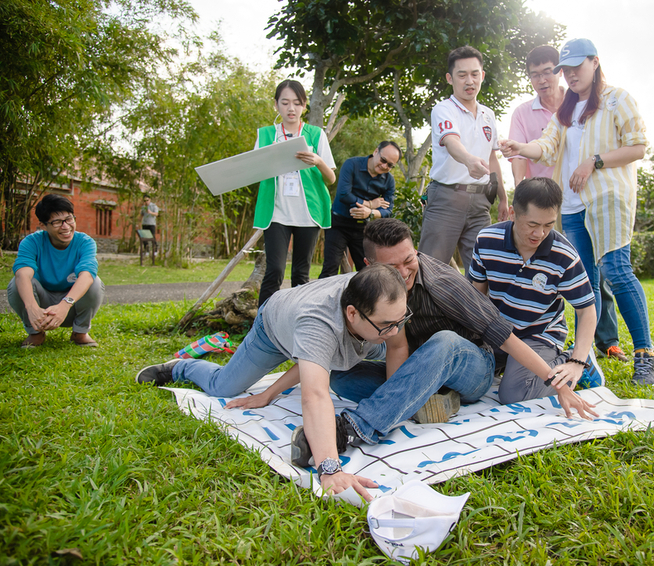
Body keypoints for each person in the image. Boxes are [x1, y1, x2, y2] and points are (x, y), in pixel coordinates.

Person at [288, 218, 599, 468]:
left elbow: (505, 338)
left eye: (408, 260)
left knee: (445, 342)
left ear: (416, 251)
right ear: (370, 265)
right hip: (422, 369)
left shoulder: (443, 283)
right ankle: (428, 401)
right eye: (392, 268)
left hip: (471, 367)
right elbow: (387, 347)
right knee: (342, 377)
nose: (404, 272)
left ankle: (354, 427)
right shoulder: (372, 288)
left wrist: (558, 384)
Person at [135, 264, 408, 500]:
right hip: (274, 328)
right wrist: (330, 469)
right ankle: (182, 367)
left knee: (365, 347)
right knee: (224, 387)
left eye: (400, 320)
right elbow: (315, 394)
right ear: (352, 313)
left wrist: (269, 393)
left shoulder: (383, 302)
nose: (395, 331)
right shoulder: (318, 324)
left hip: (322, 329)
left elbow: (332, 357)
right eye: (386, 325)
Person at [500, 38, 654, 386]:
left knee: (616, 271)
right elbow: (546, 146)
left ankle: (645, 355)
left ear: (594, 62)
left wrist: (594, 161)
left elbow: (637, 147)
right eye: (566, 70)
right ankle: (585, 360)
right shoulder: (565, 112)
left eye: (576, 67)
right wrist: (520, 147)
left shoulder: (617, 99)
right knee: (584, 285)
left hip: (608, 199)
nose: (570, 75)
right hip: (571, 206)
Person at [509, 45, 627, 363]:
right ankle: (552, 336)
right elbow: (521, 154)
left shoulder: (580, 101)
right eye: (535, 75)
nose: (542, 80)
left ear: (558, 72)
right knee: (554, 270)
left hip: (579, 197)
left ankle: (607, 340)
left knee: (594, 270)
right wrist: (519, 193)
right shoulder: (524, 112)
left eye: (548, 72)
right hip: (543, 207)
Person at [468, 177, 601, 404]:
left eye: (548, 225)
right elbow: (475, 297)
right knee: (463, 380)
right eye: (532, 224)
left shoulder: (564, 255)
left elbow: (586, 310)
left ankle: (576, 359)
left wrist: (577, 362)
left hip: (539, 335)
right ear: (512, 213)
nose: (540, 234)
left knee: (515, 395)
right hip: (497, 333)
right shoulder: (486, 240)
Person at [418, 45, 509, 274]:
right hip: (446, 199)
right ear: (450, 78)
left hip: (481, 204)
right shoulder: (443, 109)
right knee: (430, 271)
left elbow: (492, 158)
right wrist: (469, 161)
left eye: (475, 74)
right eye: (462, 75)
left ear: (482, 76)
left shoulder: (488, 114)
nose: (470, 81)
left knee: (484, 272)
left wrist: (503, 198)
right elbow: (451, 141)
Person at [255, 79, 336, 306]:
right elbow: (254, 171)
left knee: (301, 274)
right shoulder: (265, 135)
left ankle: (297, 321)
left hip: (308, 214)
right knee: (274, 270)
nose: (291, 108)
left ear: (304, 105)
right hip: (276, 212)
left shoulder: (316, 134)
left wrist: (318, 161)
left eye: (297, 103)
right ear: (276, 105)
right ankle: (262, 324)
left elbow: (331, 178)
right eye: (285, 103)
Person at [7, 194, 104, 348]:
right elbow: (23, 274)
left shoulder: (85, 242)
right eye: (57, 222)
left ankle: (80, 332)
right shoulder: (31, 242)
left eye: (69, 219)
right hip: (41, 306)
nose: (65, 227)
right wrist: (32, 307)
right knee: (16, 283)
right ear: (43, 225)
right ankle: (35, 332)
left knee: (94, 282)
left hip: (71, 304)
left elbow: (86, 274)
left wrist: (65, 305)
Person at [318, 141, 400, 278]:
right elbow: (344, 194)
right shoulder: (351, 164)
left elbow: (388, 210)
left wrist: (370, 212)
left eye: (390, 165)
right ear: (376, 152)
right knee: (330, 269)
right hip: (338, 224)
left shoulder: (389, 180)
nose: (385, 166)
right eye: (383, 160)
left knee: (367, 271)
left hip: (364, 228)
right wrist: (370, 204)